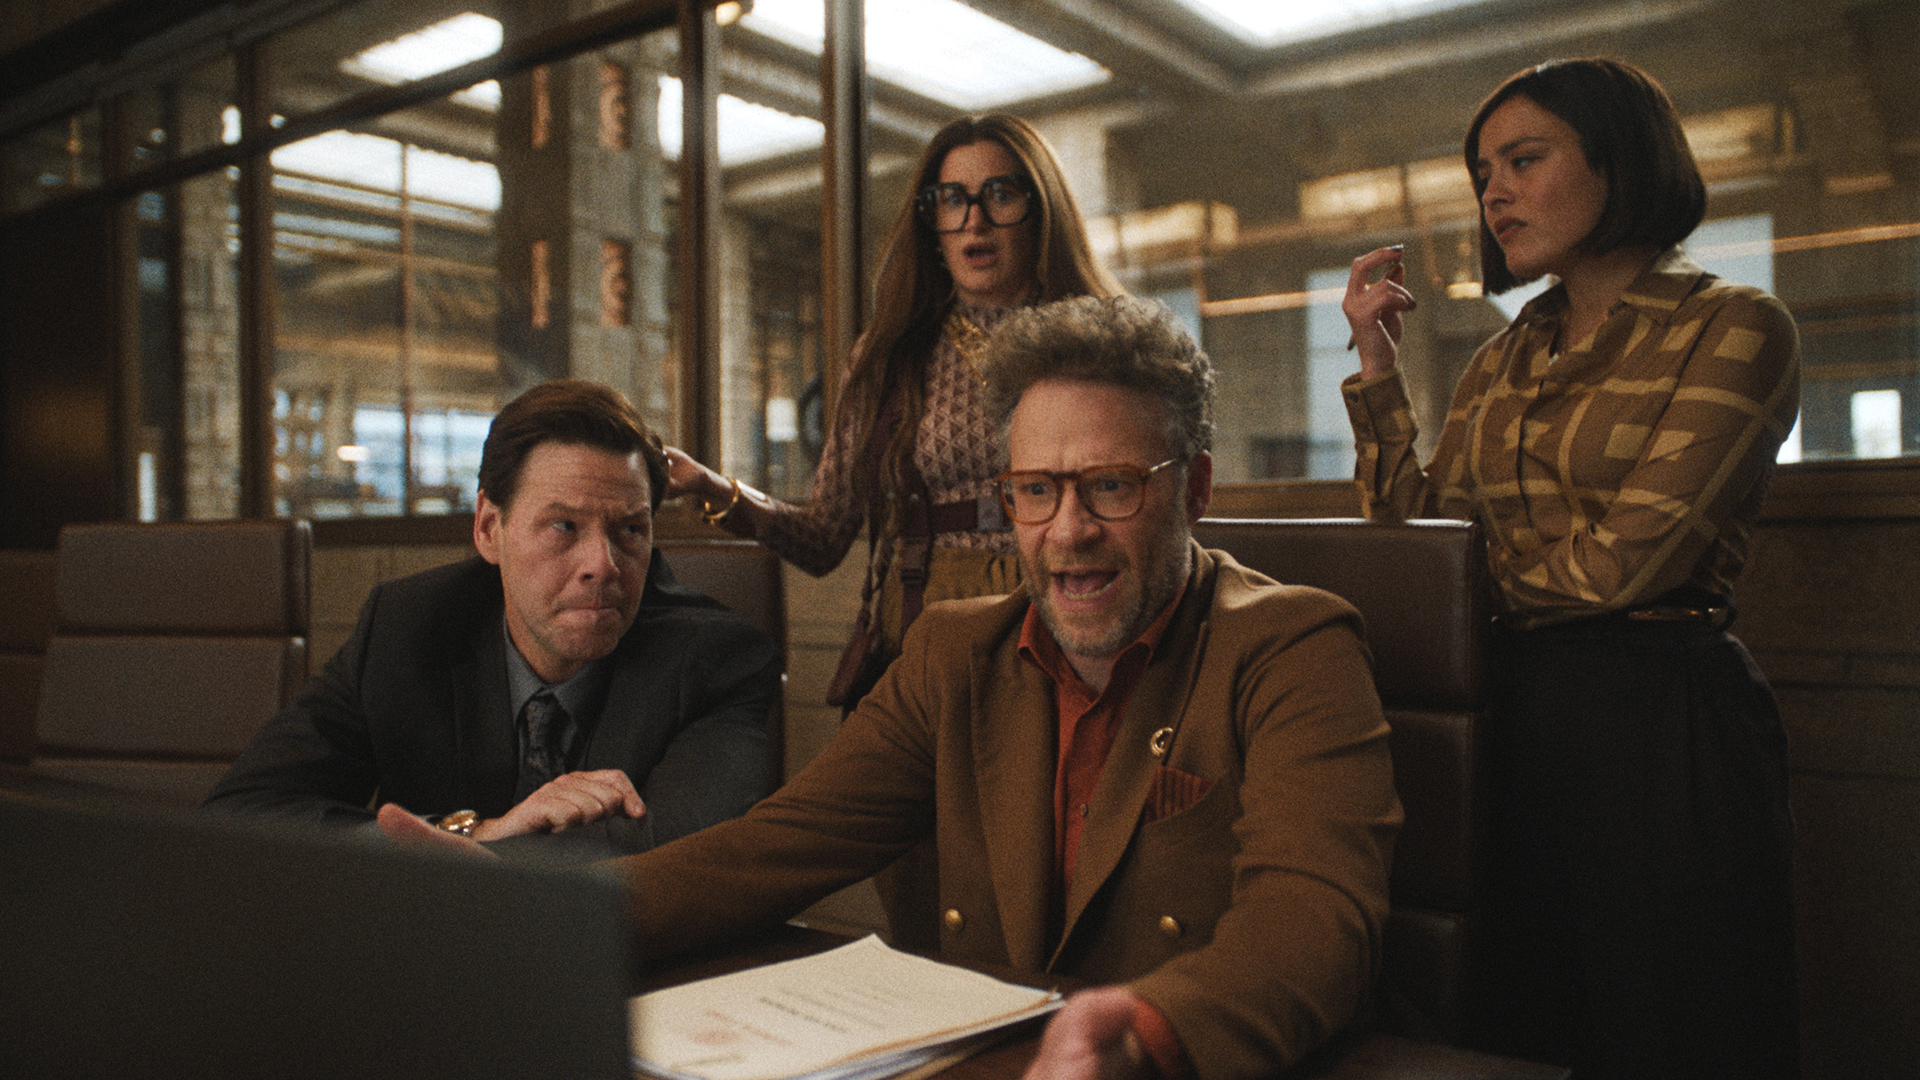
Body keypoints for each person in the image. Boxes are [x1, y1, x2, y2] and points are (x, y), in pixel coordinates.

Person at [385, 296, 1401, 1080]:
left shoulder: (1293, 645)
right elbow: (768, 851)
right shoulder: (956, 653)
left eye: (1114, 485)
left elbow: (1312, 925)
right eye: (1035, 492)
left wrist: (1147, 1026)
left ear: (1197, 488)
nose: (1068, 531)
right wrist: (516, 922)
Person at [1340, 58, 1800, 1079]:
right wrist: (1377, 366)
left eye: (1524, 158)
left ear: (1617, 156)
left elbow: (1629, 565)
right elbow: (1421, 544)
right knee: (1519, 1019)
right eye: (1483, 171)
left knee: (1674, 1021)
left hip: (1657, 713)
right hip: (1507, 714)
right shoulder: (1504, 355)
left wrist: (1463, 604)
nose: (1493, 191)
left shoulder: (1734, 325)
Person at [665, 112, 1123, 947]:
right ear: (929, 220)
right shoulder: (892, 357)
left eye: (999, 194)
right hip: (920, 645)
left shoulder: (1102, 339)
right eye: (951, 199)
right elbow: (825, 536)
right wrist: (715, 491)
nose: (975, 220)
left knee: (1061, 898)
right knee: (921, 901)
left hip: (1071, 636)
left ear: (1040, 206)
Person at [205, 379, 781, 863]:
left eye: (630, 529)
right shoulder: (407, 628)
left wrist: (456, 859)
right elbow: (244, 814)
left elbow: (676, 859)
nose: (602, 565)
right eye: (563, 527)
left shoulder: (717, 660)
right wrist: (479, 830)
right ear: (488, 529)